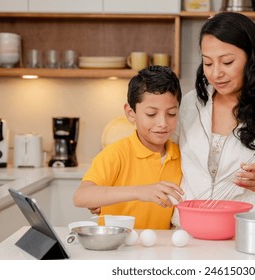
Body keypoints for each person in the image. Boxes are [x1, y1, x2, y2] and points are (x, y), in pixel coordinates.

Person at [173, 12, 255, 225]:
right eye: (208, 63)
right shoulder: (190, 105)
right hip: (188, 231)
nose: (216, 73)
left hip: (248, 235)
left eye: (227, 62)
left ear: (252, 58)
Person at [73, 65, 183, 230]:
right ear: (131, 113)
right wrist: (140, 192)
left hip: (160, 249)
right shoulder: (116, 153)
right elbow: (81, 196)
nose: (163, 123)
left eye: (171, 114)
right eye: (151, 114)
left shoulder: (180, 155)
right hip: (117, 249)